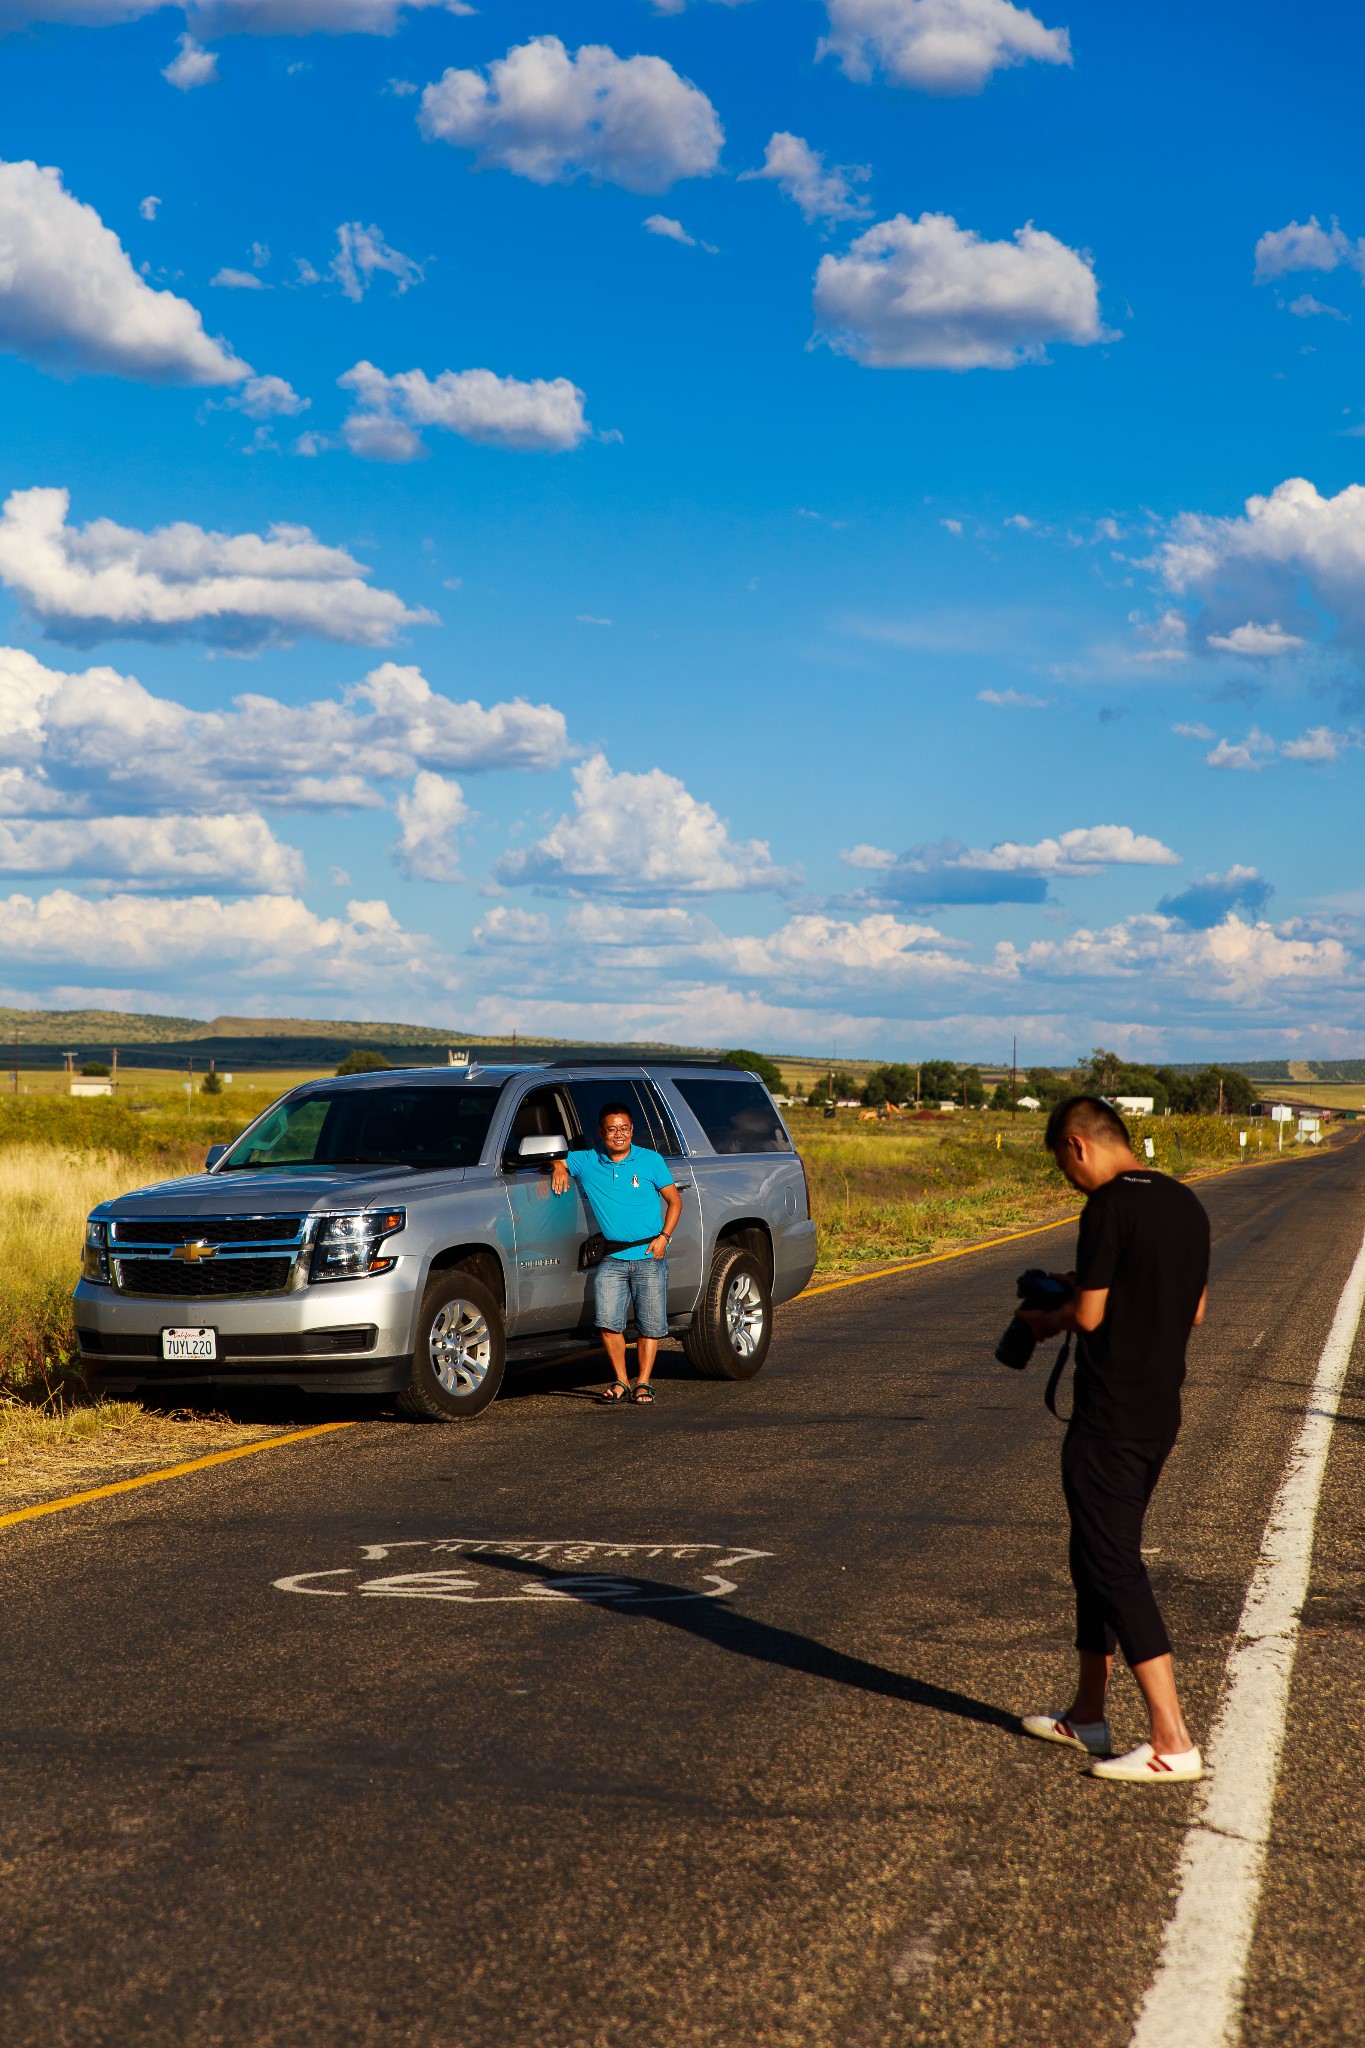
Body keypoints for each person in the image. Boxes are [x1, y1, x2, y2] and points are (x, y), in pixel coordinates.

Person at [1017, 1094, 1210, 1783]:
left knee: (1113, 1562)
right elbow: (1192, 1307)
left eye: (1063, 1166)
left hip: (1110, 1417)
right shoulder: (1183, 1201)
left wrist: (1048, 1318)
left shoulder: (1105, 1206)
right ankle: (1087, 1715)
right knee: (1091, 1555)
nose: (1069, 1180)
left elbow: (1091, 1316)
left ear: (1077, 1146)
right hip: (1158, 1409)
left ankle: (1172, 1739)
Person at [551, 1101, 683, 1405]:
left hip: (650, 1255)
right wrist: (559, 1166)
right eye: (612, 1129)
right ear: (601, 1132)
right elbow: (559, 1159)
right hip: (611, 1259)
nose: (618, 1134)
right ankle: (622, 1380)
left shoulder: (650, 1160)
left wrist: (664, 1237)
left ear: (632, 1129)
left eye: (624, 1128)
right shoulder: (588, 1161)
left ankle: (644, 1383)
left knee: (649, 1325)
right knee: (608, 1324)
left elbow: (675, 1202)